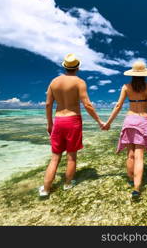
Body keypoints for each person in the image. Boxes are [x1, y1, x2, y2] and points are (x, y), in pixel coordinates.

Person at [39, 53, 104, 197]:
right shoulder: (79, 82)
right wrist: (99, 121)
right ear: (77, 67)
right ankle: (68, 184)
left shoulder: (54, 82)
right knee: (71, 157)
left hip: (58, 121)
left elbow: (48, 104)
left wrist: (50, 124)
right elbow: (87, 104)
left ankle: (46, 189)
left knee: (55, 157)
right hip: (73, 121)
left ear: (65, 67)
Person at [102, 61, 147, 200]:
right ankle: (137, 188)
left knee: (130, 155)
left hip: (129, 120)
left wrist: (108, 123)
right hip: (142, 121)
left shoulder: (126, 87)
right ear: (144, 74)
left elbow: (118, 105)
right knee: (139, 156)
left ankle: (131, 180)